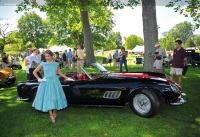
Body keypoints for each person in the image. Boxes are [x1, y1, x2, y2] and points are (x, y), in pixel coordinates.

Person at [32, 50, 68, 123]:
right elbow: (34, 72)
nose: (47, 58)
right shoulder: (43, 64)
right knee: (48, 98)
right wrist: (39, 79)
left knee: (56, 97)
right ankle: (51, 115)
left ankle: (54, 112)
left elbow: (60, 73)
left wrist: (66, 77)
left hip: (55, 82)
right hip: (46, 82)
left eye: (48, 56)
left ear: (51, 56)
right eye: (45, 56)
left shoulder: (56, 64)